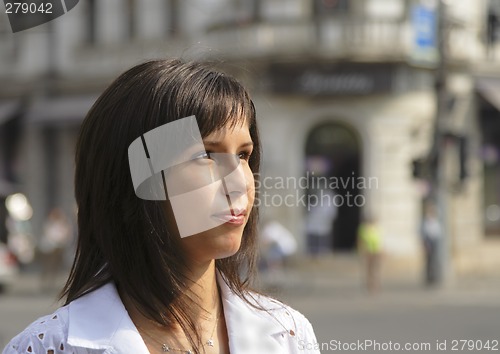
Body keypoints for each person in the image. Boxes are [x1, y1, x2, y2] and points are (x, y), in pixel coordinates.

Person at [3, 59, 320, 354]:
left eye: (243, 155)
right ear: (134, 180)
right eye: (206, 155)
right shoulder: (49, 346)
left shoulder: (289, 335)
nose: (239, 182)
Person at [357, 216, 383, 293]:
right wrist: (362, 250)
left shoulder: (377, 229)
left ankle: (375, 285)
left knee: (375, 270)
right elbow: (360, 240)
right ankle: (369, 285)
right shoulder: (363, 229)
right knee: (369, 270)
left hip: (376, 252)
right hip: (368, 252)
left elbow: (380, 241)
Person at [420, 202, 442, 286]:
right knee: (429, 261)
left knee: (434, 260)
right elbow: (425, 233)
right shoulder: (426, 221)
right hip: (429, 242)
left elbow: (438, 232)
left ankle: (434, 277)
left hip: (434, 242)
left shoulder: (435, 221)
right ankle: (429, 278)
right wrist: (426, 243)